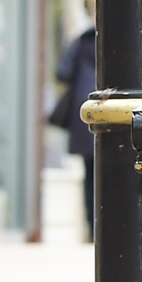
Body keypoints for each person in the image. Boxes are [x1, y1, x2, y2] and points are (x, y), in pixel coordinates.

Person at [53, 17, 97, 240]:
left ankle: (93, 228)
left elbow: (62, 72)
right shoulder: (122, 40)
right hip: (113, 109)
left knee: (90, 176)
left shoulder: (82, 41)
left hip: (85, 111)